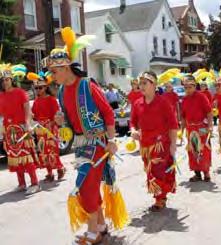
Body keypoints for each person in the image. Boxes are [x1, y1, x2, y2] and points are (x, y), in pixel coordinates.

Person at [48, 27, 128, 244]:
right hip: (82, 144)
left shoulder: (87, 85)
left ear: (65, 68)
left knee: (85, 185)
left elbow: (108, 113)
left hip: (99, 142)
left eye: (54, 72)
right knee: (89, 184)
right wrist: (60, 121)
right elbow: (70, 121)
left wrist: (112, 140)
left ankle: (93, 230)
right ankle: (100, 226)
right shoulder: (63, 93)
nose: (52, 77)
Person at [130, 71, 178, 211]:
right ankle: (160, 195)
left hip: (161, 145)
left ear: (154, 84)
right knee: (150, 171)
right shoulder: (137, 103)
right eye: (140, 83)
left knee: (158, 171)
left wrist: (173, 144)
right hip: (145, 146)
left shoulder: (163, 102)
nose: (141, 86)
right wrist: (133, 131)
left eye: (145, 83)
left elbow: (173, 124)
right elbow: (133, 122)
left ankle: (160, 198)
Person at [0, 64, 41, 195]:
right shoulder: (1, 96)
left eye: (7, 79)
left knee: (26, 157)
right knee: (14, 158)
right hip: (9, 130)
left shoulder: (20, 93)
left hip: (22, 128)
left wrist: (28, 124)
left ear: (11, 79)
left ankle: (35, 183)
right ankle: (22, 183)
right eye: (3, 80)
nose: (5, 82)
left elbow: (27, 111)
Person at [29, 72, 66, 182]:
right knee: (43, 152)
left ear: (45, 87)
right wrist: (32, 117)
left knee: (52, 151)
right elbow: (34, 116)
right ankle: (49, 173)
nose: (38, 90)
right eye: (36, 88)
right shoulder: (36, 101)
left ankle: (60, 168)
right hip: (40, 130)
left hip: (51, 129)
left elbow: (56, 115)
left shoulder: (52, 100)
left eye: (40, 87)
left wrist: (52, 123)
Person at [181, 75, 213, 181]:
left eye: (190, 87)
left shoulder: (201, 96)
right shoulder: (184, 99)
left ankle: (206, 173)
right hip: (190, 129)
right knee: (193, 151)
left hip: (202, 127)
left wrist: (210, 125)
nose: (188, 89)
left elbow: (209, 112)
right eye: (185, 87)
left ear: (195, 86)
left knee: (204, 149)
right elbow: (183, 116)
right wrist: (181, 130)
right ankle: (197, 173)